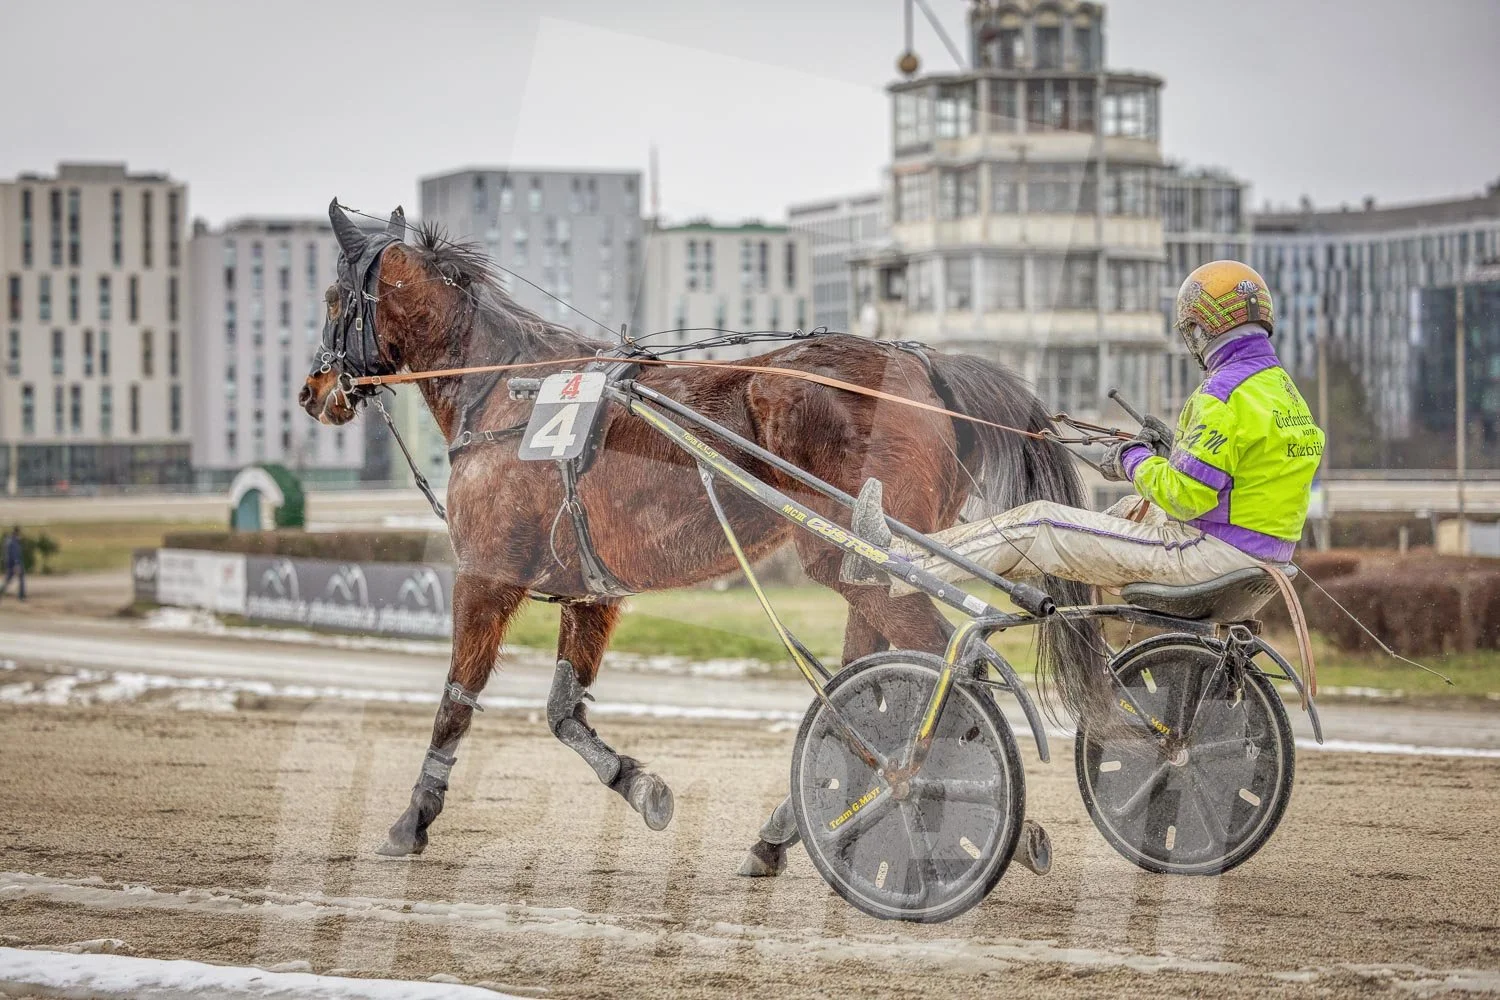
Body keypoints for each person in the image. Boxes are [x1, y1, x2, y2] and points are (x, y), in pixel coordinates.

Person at [890, 260, 1325, 594]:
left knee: (1040, 522)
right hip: (1260, 555)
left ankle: (904, 562)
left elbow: (1185, 496)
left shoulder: (1221, 394)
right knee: (1118, 516)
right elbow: (1245, 472)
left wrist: (1134, 459)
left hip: (1210, 556)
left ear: (1198, 330)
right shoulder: (1281, 390)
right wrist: (1174, 452)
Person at [0, 525, 25, 602]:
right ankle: (21, 596)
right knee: (17, 579)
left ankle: (20, 595)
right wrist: (16, 564)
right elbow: (14, 554)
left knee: (9, 580)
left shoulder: (8, 540)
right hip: (14, 564)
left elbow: (6, 554)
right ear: (17, 532)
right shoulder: (13, 542)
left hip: (9, 564)